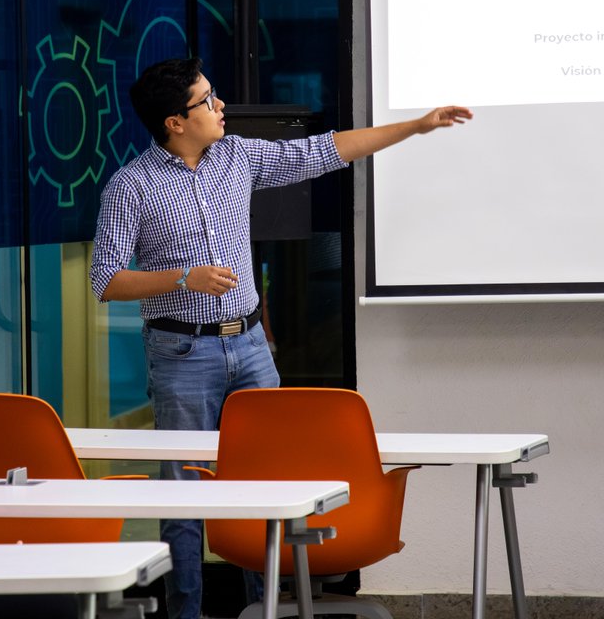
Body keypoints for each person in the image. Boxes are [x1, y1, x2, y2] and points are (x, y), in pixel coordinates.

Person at [89, 57, 472, 619]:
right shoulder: (131, 187)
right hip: (181, 353)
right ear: (174, 121)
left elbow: (325, 150)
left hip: (248, 349)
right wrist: (182, 278)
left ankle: (261, 608)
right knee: (183, 497)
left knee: (262, 489)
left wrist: (415, 126)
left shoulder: (237, 157)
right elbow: (106, 281)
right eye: (207, 100)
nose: (221, 107)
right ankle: (187, 612)